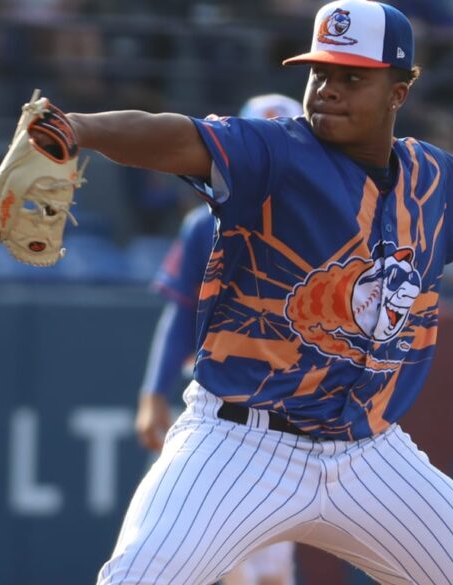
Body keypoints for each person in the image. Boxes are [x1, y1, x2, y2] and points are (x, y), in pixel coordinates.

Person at [51, 2, 453, 582]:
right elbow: (177, 136)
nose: (328, 90)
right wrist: (79, 128)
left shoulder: (434, 181)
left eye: (352, 78)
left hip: (368, 455)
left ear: (399, 92)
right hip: (238, 444)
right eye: (320, 73)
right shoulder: (277, 152)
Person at [134, 94, 304, 585]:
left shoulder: (324, 228)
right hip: (213, 410)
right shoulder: (203, 226)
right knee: (207, 558)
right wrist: (153, 392)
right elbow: (181, 312)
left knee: (272, 569)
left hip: (285, 417)